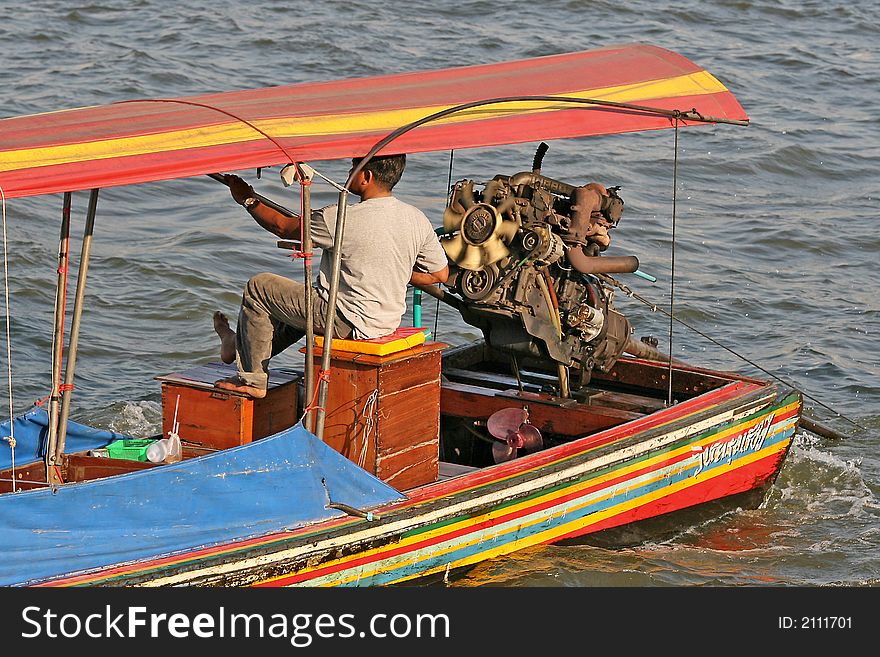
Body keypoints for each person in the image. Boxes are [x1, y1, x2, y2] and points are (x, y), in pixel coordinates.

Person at [213, 154, 449, 398]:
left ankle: (252, 381)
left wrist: (247, 199)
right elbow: (440, 273)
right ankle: (237, 349)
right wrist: (391, 269)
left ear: (366, 177)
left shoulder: (340, 217)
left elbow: (281, 226)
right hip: (384, 321)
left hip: (345, 319)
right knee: (296, 309)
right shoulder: (416, 218)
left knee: (259, 287)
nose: (348, 174)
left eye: (352, 168)